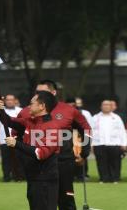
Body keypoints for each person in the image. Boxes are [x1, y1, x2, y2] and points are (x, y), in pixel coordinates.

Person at [15, 80, 91, 210]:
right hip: (36, 164)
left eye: (43, 92)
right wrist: (23, 158)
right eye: (37, 92)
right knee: (36, 199)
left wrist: (84, 152)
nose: (39, 95)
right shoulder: (26, 112)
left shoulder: (69, 110)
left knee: (66, 199)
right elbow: (16, 135)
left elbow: (86, 129)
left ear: (54, 92)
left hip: (63, 161)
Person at [0, 91, 61, 210]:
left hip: (45, 180)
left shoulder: (53, 127)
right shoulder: (30, 122)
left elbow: (41, 153)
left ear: (42, 106)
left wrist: (17, 144)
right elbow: (8, 121)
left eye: (31, 103)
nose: (28, 106)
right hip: (33, 177)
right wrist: (0, 109)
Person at [92, 100, 127, 183]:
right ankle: (103, 178)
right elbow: (90, 131)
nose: (106, 106)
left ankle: (115, 178)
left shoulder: (116, 117)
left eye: (108, 105)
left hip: (114, 143)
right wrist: (91, 144)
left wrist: (124, 143)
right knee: (101, 162)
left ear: (111, 107)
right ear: (101, 107)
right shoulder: (95, 118)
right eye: (104, 105)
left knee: (115, 162)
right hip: (99, 143)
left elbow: (122, 131)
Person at [0, 94, 23, 182]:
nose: (9, 101)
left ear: (15, 101)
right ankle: (6, 177)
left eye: (11, 99)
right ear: (5, 101)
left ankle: (17, 177)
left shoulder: (20, 110)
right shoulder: (0, 111)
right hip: (3, 139)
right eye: (8, 100)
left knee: (18, 160)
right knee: (5, 160)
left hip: (17, 139)